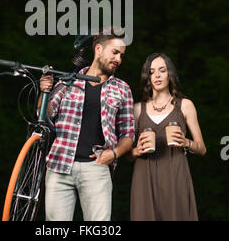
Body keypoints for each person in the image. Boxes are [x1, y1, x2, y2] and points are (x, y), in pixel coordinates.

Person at [38, 27, 135, 221]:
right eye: (115, 52)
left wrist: (113, 153)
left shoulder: (122, 89)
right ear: (98, 49)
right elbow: (45, 115)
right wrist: (45, 91)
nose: (118, 59)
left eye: (122, 56)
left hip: (96, 168)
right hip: (60, 165)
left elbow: (128, 135)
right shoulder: (68, 81)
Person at [129, 53, 206, 221]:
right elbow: (127, 154)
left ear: (170, 74)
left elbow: (202, 148)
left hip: (175, 174)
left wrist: (186, 142)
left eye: (162, 70)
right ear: (147, 77)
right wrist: (136, 151)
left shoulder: (185, 105)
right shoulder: (137, 110)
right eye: (151, 72)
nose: (157, 75)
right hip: (144, 176)